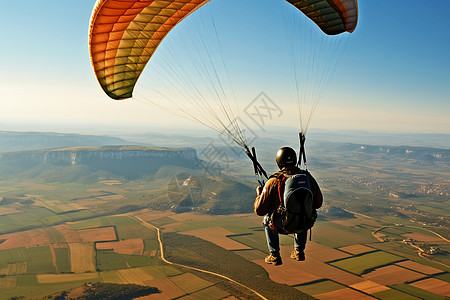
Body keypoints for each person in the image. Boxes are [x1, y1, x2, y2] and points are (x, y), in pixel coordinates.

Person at [254, 147, 323, 266]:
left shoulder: (274, 181)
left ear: (279, 162)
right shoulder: (307, 178)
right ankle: (299, 251)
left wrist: (259, 195)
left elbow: (259, 210)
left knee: (266, 220)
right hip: (304, 223)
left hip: (283, 225)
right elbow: (318, 203)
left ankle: (274, 255)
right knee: (304, 211)